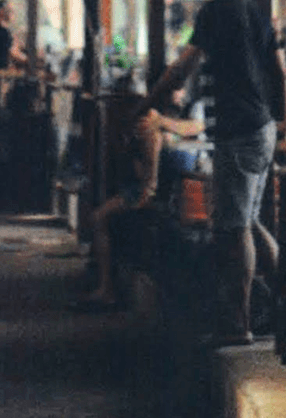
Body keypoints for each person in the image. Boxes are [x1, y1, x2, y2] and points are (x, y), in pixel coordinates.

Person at [144, 0, 286, 345]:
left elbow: (180, 69)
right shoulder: (255, 10)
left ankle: (238, 324)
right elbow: (280, 75)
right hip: (261, 129)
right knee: (250, 221)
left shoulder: (215, 11)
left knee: (234, 228)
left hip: (238, 132)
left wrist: (145, 104)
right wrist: (281, 126)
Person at [74, 87, 204, 311]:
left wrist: (148, 186)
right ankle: (107, 286)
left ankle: (106, 289)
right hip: (157, 182)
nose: (180, 93)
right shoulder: (164, 125)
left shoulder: (175, 121)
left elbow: (196, 127)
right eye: (177, 89)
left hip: (165, 185)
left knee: (99, 217)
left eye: (181, 89)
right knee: (101, 218)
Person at [0, 0, 28, 70]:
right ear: (1, 11)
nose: (14, 14)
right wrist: (30, 60)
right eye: (11, 11)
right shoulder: (3, 31)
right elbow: (13, 53)